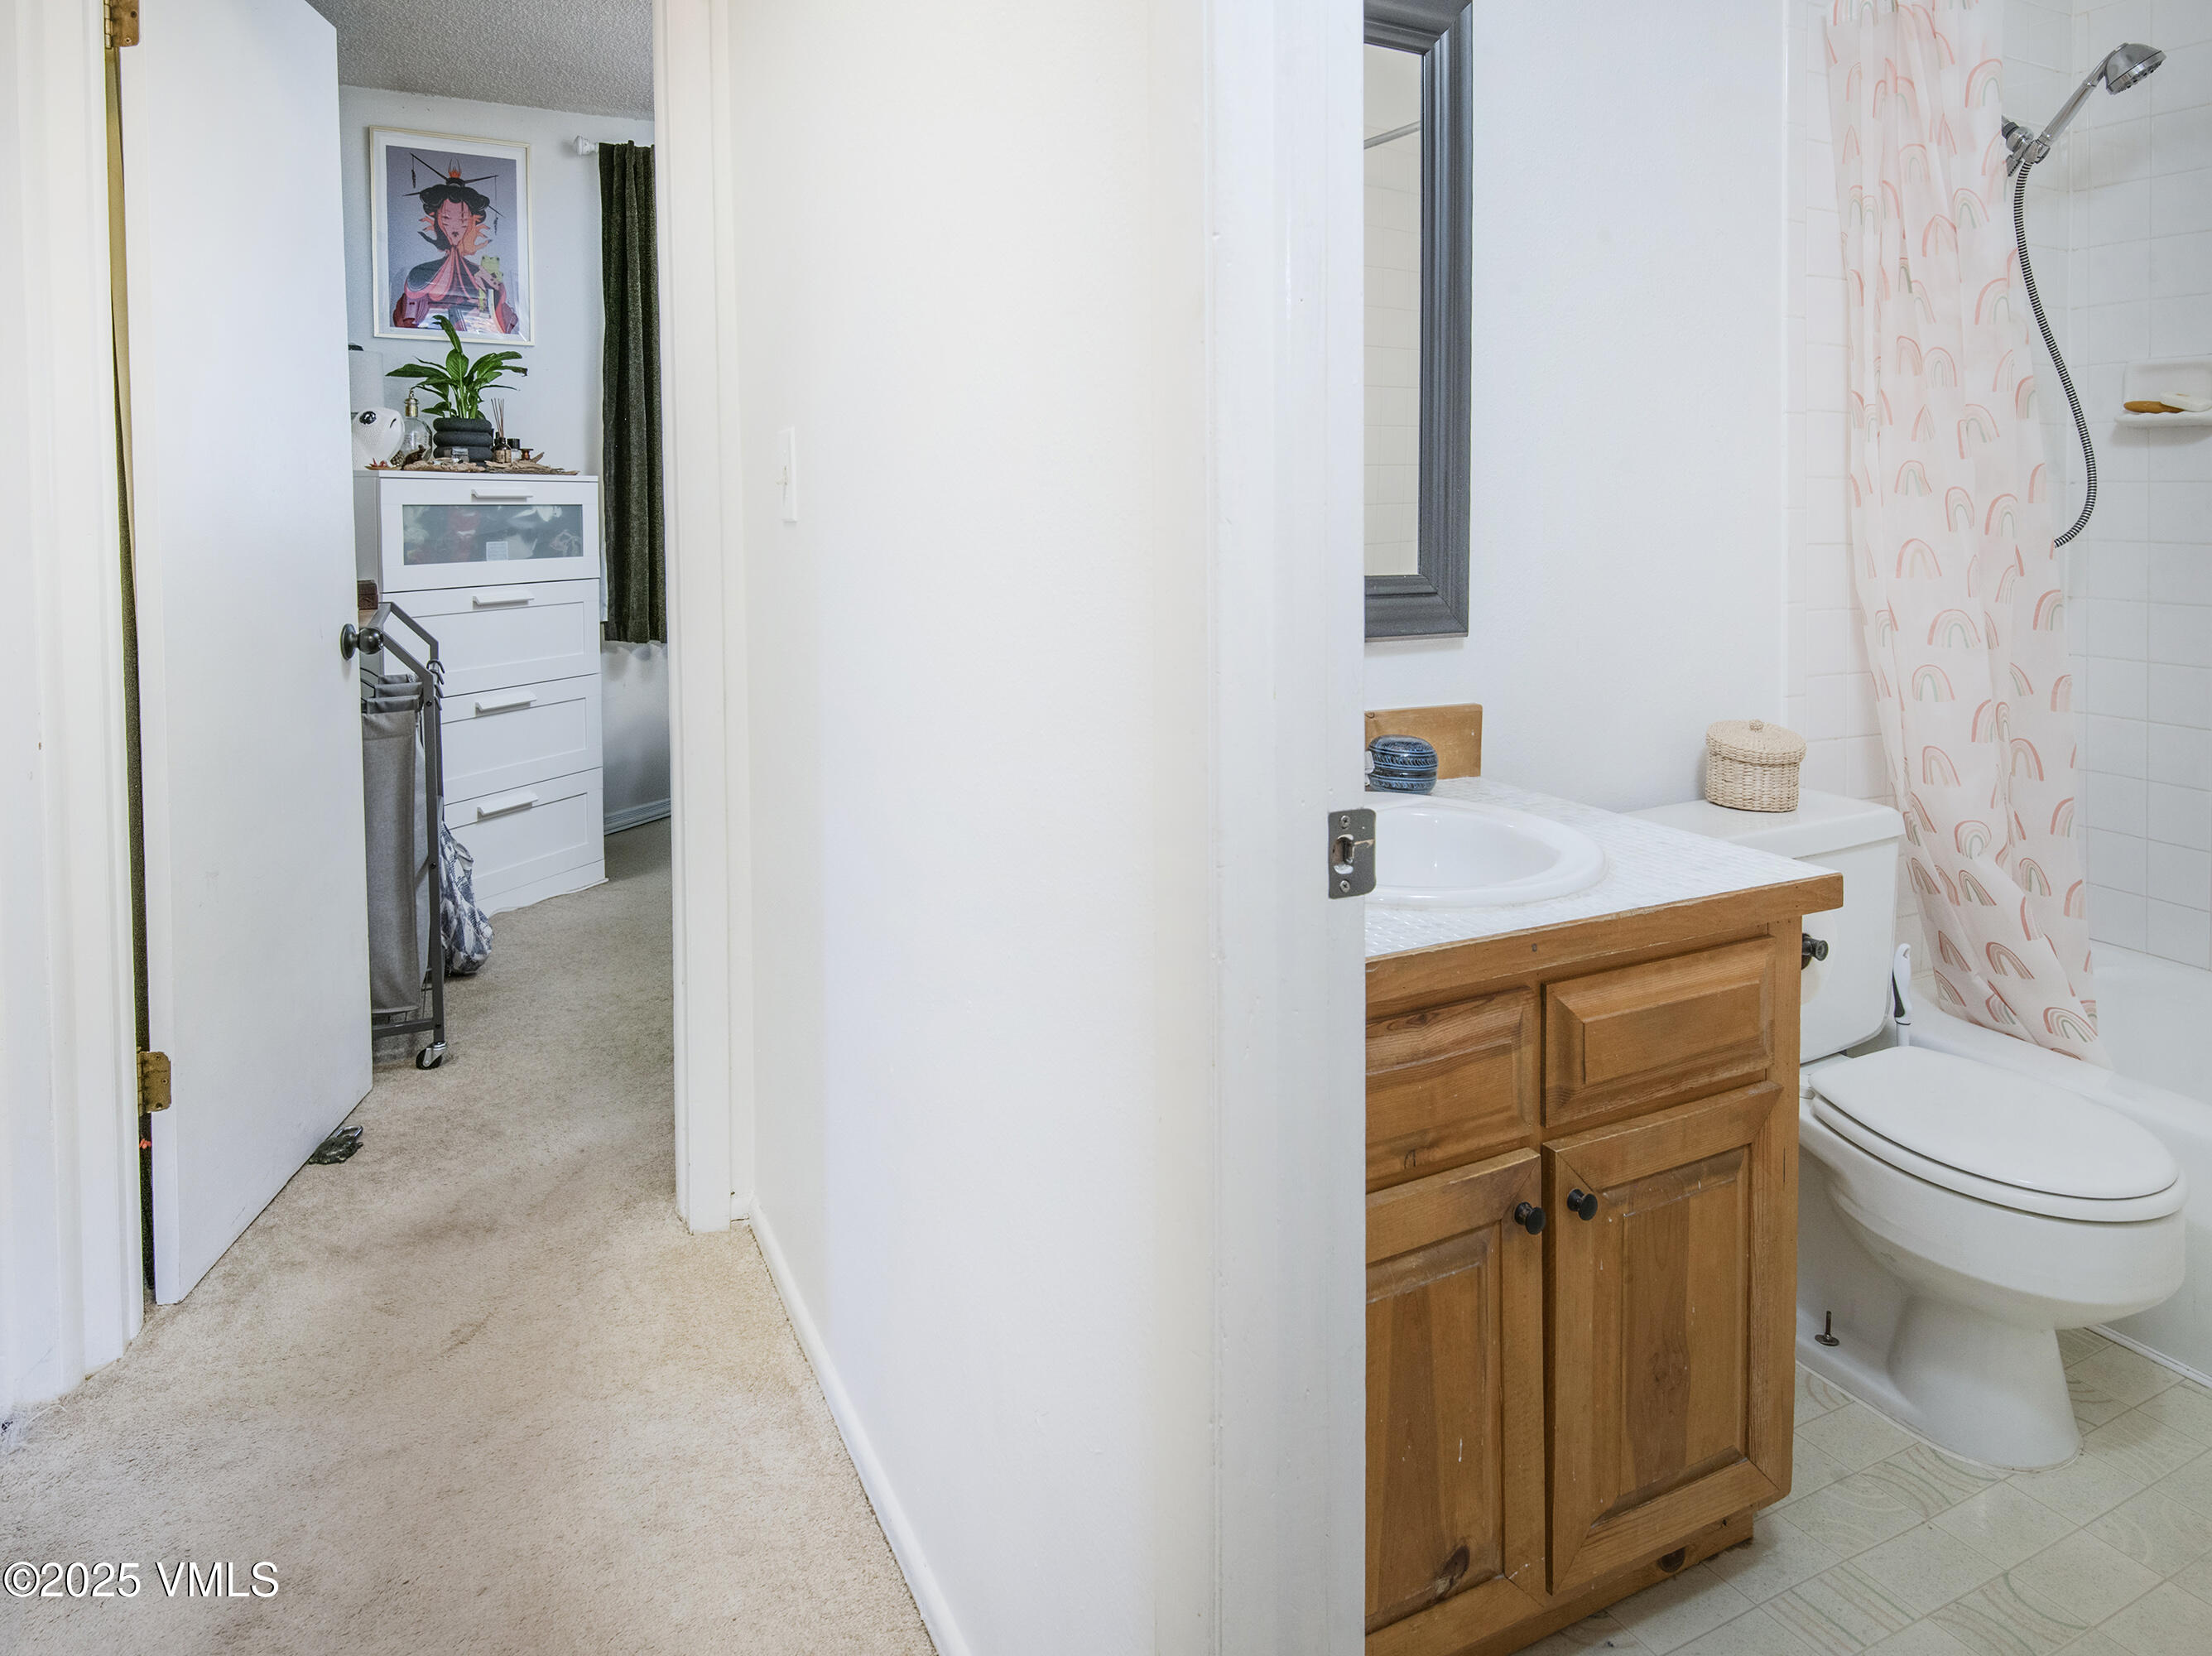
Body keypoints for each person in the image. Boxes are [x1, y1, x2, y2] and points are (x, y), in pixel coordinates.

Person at [392, 162, 518, 336]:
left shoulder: (486, 278)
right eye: (446, 218)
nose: (455, 227)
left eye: (463, 219)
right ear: (436, 219)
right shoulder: (419, 274)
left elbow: (500, 326)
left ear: (472, 222)